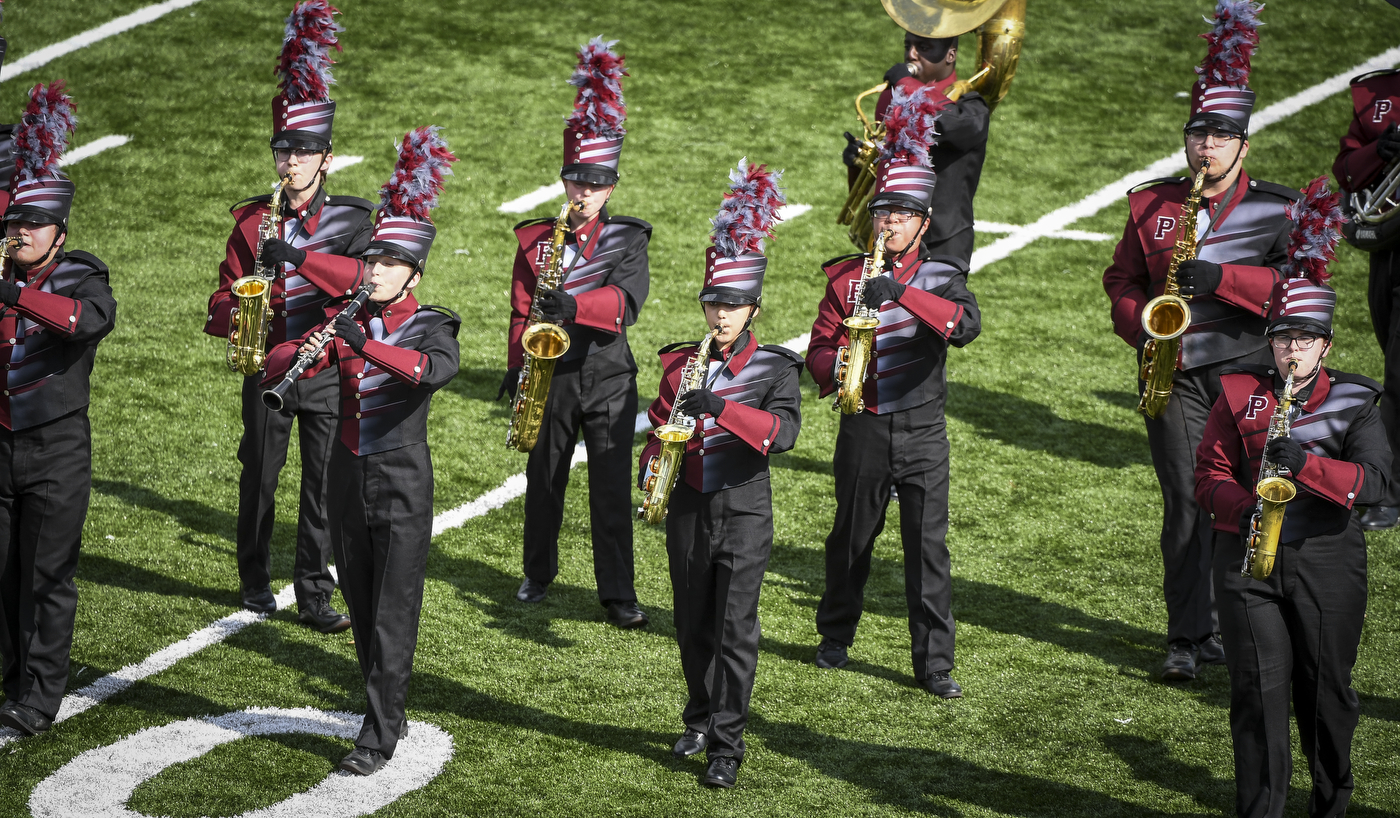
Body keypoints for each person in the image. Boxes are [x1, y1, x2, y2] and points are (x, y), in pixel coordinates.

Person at [1101, 0, 1298, 681]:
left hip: (1248, 371)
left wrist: (1226, 279)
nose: (1204, 149)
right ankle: (1186, 638)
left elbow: (1299, 292)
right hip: (1175, 373)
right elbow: (1120, 279)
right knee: (1187, 501)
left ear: (1244, 145)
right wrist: (1145, 324)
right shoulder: (1152, 204)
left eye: (1219, 139)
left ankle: (1243, 626)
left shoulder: (1278, 209)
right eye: (1196, 136)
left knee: (1249, 493)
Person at [263, 127, 459, 776]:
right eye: (371, 262)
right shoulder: (347, 320)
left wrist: (363, 342)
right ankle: (385, 712)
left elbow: (428, 371)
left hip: (402, 485)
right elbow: (286, 369)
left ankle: (377, 735)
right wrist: (294, 355)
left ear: (414, 274)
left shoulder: (433, 324)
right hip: (347, 478)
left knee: (392, 616)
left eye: (388, 265)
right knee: (364, 604)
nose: (373, 272)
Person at [1195, 177, 1388, 818]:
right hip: (1248, 559)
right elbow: (1209, 475)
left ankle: (1332, 803)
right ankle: (1262, 809)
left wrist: (1310, 467)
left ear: (1325, 345)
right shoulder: (1238, 391)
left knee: (1325, 691)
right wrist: (1242, 507)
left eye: (1304, 340)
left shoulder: (1357, 401)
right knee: (1256, 689)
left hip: (1328, 559)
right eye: (1282, 338)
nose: (1291, 350)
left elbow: (1381, 485)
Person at [810, 85, 981, 699]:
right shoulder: (845, 276)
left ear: (923, 222)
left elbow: (966, 329)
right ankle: (835, 634)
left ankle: (934, 663)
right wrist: (840, 371)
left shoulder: (942, 276)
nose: (890, 222)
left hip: (923, 428)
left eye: (902, 214)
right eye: (883, 211)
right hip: (862, 423)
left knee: (926, 549)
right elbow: (819, 347)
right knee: (850, 537)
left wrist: (902, 295)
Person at [204, 1, 371, 630]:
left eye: (304, 151)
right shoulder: (252, 221)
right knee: (261, 477)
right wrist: (251, 296)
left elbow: (362, 283)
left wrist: (299, 260)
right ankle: (253, 577)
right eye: (284, 149)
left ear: (326, 157)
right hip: (266, 364)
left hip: (326, 364)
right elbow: (219, 302)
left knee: (322, 486)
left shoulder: (354, 222)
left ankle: (313, 589)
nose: (291, 161)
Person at [640, 159, 801, 789]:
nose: (721, 315)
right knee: (691, 625)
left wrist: (724, 408)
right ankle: (700, 715)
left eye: (733, 305)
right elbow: (659, 426)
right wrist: (653, 466)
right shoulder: (681, 363)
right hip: (687, 505)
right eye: (714, 303)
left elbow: (782, 435)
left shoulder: (775, 369)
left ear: (753, 307)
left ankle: (728, 745)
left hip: (743, 506)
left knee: (735, 629)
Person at [501, 38, 650, 628]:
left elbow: (628, 302)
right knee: (544, 478)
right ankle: (537, 572)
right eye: (574, 181)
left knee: (610, 490)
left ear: (611, 186)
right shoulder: (537, 239)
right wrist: (518, 365)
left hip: (609, 374)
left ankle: (618, 593)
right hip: (551, 372)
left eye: (593, 183)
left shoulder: (628, 239)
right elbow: (518, 305)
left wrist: (576, 303)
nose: (582, 193)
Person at [0, 83, 117, 737]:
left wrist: (13, 294)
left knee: (45, 578)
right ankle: (12, 681)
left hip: (55, 448)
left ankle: (39, 699)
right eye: (13, 223)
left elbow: (82, 323)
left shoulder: (80, 277)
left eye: (32, 226)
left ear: (60, 234)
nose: (19, 233)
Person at [841, 30, 988, 262]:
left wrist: (907, 84)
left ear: (950, 55)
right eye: (908, 45)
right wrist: (857, 164)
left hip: (942, 244)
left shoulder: (972, 109)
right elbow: (882, 177)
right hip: (889, 240)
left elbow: (950, 123)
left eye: (924, 48)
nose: (911, 54)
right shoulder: (893, 98)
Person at [1333, 56, 1400, 530]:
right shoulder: (1379, 95)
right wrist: (1382, 150)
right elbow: (1347, 172)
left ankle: (1390, 493)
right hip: (1392, 251)